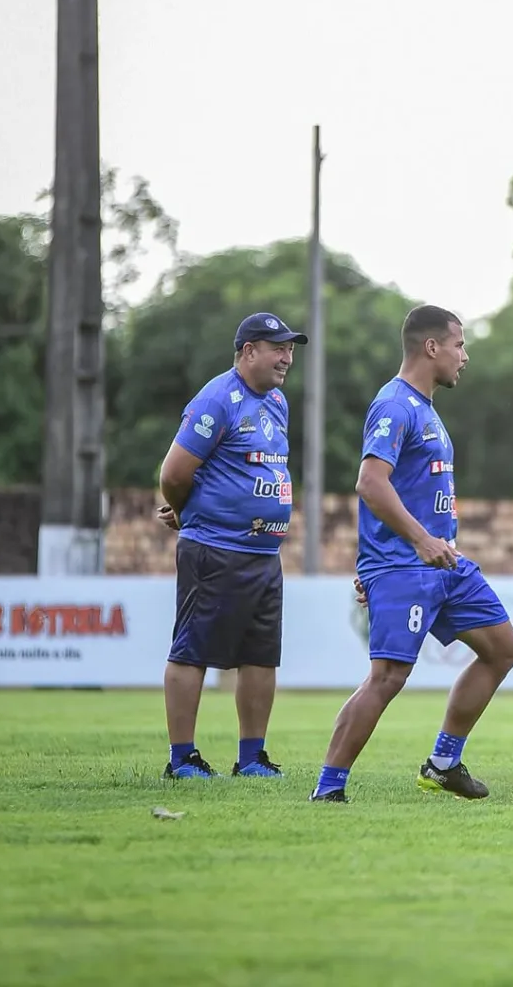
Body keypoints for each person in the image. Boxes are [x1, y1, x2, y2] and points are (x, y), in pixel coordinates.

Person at [309, 304, 513, 804]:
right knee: (388, 677)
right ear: (432, 347)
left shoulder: (426, 409)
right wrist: (412, 546)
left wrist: (438, 541)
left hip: (446, 564)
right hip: (408, 564)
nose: (464, 356)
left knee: (503, 649)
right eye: (459, 344)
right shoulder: (394, 405)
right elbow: (370, 483)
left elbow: (415, 489)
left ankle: (443, 764)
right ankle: (328, 789)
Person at [155, 311, 308, 779]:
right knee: (192, 650)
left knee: (260, 655)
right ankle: (182, 758)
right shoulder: (218, 398)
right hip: (215, 549)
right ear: (248, 352)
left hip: (264, 553)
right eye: (277, 347)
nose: (286, 357)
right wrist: (187, 513)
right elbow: (174, 474)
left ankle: (252, 757)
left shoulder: (277, 402)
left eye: (290, 349)